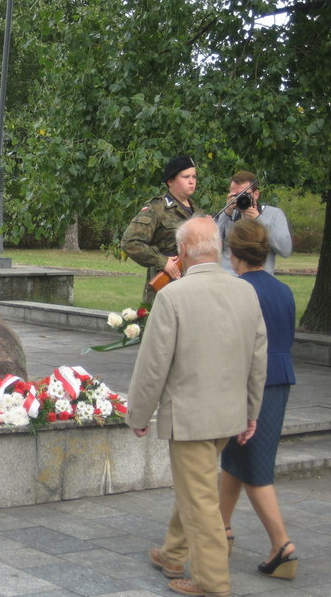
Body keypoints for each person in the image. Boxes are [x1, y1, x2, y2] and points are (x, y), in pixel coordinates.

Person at [126, 216, 267, 597]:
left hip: (189, 420)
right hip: (229, 416)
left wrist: (138, 413)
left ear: (183, 251)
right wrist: (252, 412)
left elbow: (153, 364)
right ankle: (173, 554)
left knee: (201, 500)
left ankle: (212, 582)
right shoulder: (246, 292)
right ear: (218, 249)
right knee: (198, 486)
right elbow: (258, 358)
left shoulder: (174, 295)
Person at [219, 218, 298, 580]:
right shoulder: (283, 290)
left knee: (256, 468)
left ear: (233, 253)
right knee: (236, 458)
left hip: (252, 382)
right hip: (280, 380)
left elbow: (234, 344)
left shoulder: (239, 290)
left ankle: (282, 545)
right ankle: (220, 529)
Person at [121, 155, 203, 304]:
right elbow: (130, 242)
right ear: (170, 181)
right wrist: (162, 261)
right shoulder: (157, 208)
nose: (192, 181)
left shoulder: (198, 212)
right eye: (186, 177)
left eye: (194, 177)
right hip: (166, 288)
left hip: (193, 288)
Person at [217, 170, 292, 275]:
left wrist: (259, 219)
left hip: (260, 279)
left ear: (256, 194)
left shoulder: (274, 215)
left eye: (243, 195)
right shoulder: (228, 215)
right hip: (229, 279)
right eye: (235, 196)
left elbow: (286, 250)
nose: (240, 199)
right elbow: (209, 245)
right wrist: (225, 214)